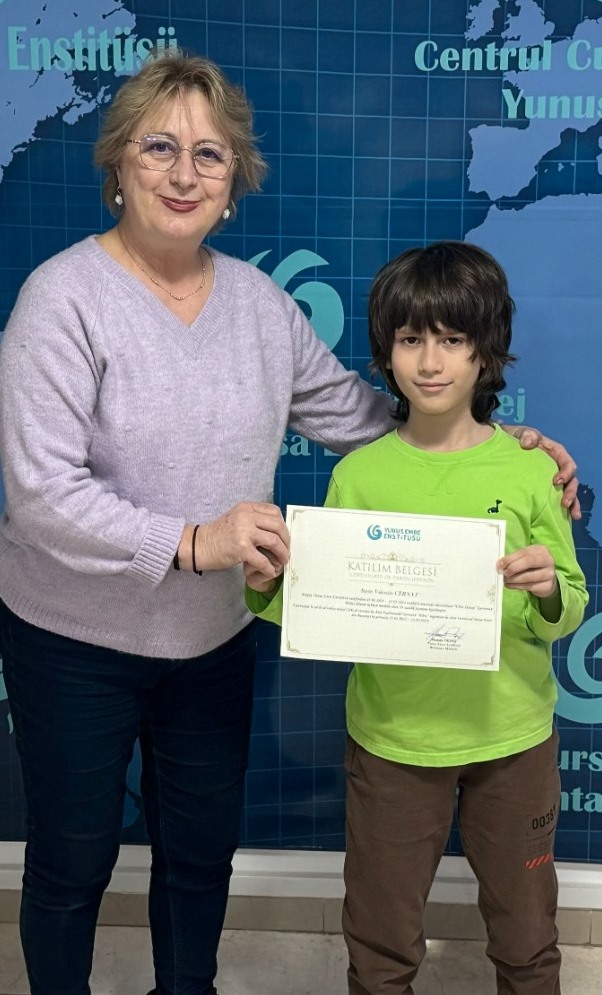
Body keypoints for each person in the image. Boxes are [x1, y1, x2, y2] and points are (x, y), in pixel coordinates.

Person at [0, 50, 578, 995]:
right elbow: (40, 494)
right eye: (159, 147)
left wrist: (491, 443)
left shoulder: (260, 307)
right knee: (71, 864)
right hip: (76, 641)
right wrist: (195, 542)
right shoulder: (60, 301)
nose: (184, 173)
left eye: (210, 154)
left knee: (199, 856)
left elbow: (366, 415)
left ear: (233, 183)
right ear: (117, 166)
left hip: (211, 641)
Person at [245, 242, 588, 995]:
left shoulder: (531, 469)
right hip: (393, 743)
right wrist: (269, 587)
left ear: (486, 350)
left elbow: (568, 604)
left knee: (528, 939)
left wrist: (548, 592)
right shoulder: (359, 475)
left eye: (453, 339)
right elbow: (326, 604)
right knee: (380, 943)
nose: (431, 363)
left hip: (512, 741)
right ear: (386, 351)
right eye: (411, 339)